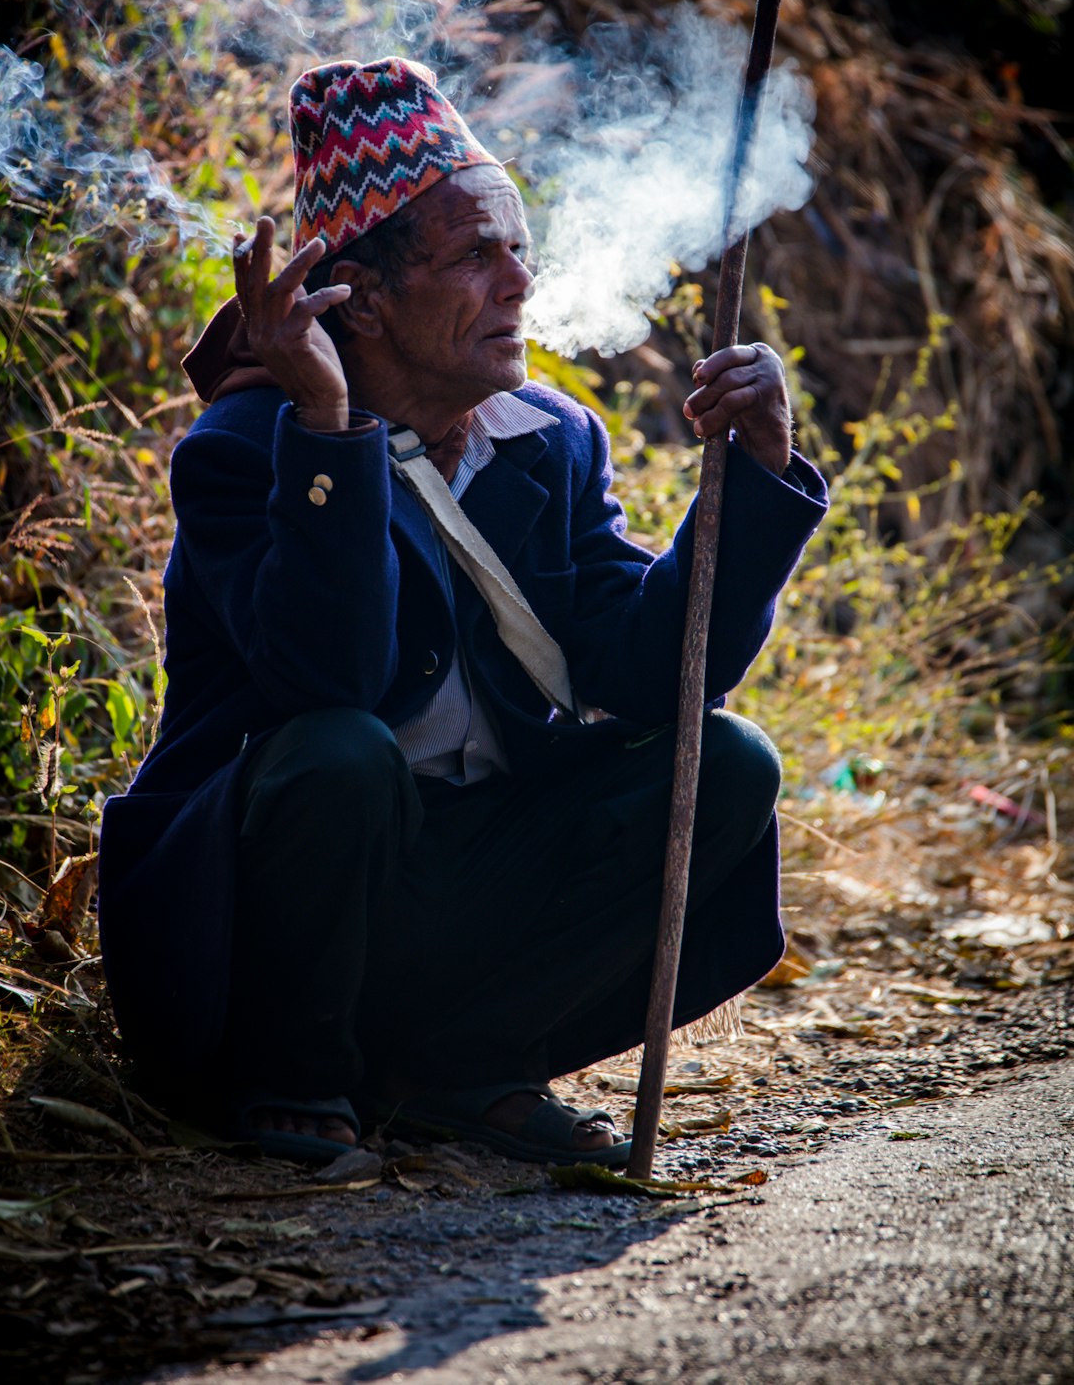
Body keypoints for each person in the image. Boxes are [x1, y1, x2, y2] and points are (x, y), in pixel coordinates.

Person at [98, 57, 827, 1169]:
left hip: (464, 892)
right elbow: (328, 684)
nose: (519, 285)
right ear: (367, 301)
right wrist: (332, 430)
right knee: (340, 753)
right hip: (278, 918)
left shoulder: (547, 440)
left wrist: (757, 475)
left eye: (518, 251)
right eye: (473, 257)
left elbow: (651, 676)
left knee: (724, 759)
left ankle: (460, 1067)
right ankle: (293, 1078)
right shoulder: (246, 451)